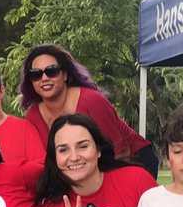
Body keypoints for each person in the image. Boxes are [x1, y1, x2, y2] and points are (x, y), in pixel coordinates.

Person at [19, 44, 158, 178]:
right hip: (83, 172)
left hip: (132, 161)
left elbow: (122, 152)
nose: (44, 78)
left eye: (52, 71)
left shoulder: (91, 101)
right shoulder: (33, 116)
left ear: (65, 75)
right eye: (36, 75)